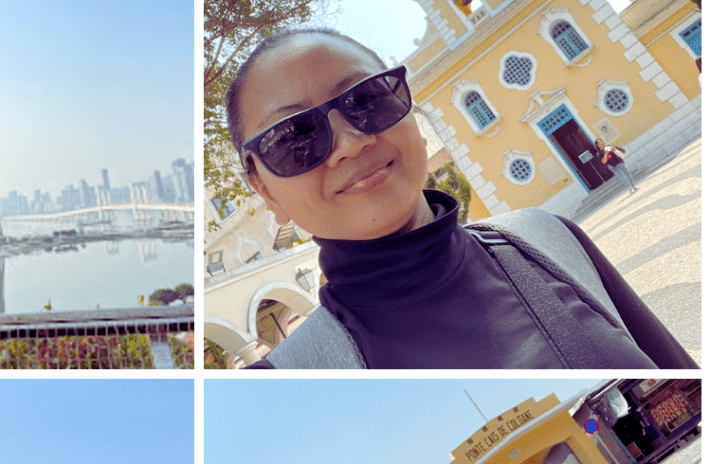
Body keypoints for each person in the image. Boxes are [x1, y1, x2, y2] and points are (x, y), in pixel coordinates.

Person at [226, 27, 696, 369]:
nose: (350, 142)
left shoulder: (548, 241)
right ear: (265, 189)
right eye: (292, 137)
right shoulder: (285, 380)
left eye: (366, 99)